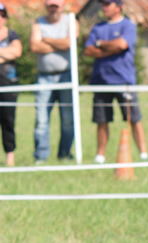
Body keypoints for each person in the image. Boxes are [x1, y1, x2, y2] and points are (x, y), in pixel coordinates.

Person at [84, 0, 148, 163]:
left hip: (123, 81)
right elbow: (89, 50)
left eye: (107, 4)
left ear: (118, 7)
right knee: (101, 120)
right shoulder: (98, 27)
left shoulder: (128, 26)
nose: (103, 7)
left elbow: (122, 44)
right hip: (101, 81)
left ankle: (143, 154)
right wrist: (110, 50)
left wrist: (101, 45)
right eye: (102, 4)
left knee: (133, 118)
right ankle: (100, 156)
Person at [30, 0, 79, 164]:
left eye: (56, 6)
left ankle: (65, 154)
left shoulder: (71, 21)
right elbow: (35, 47)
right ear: (46, 6)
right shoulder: (38, 22)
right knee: (41, 119)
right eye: (51, 6)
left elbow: (69, 43)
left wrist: (46, 39)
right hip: (44, 77)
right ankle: (41, 156)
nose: (54, 9)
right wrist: (60, 44)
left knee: (67, 119)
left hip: (66, 76)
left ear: (62, 6)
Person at [0, 2, 21, 167]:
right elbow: (10, 53)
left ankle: (10, 159)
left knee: (8, 119)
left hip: (8, 83)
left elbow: (17, 52)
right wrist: (6, 54)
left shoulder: (12, 34)